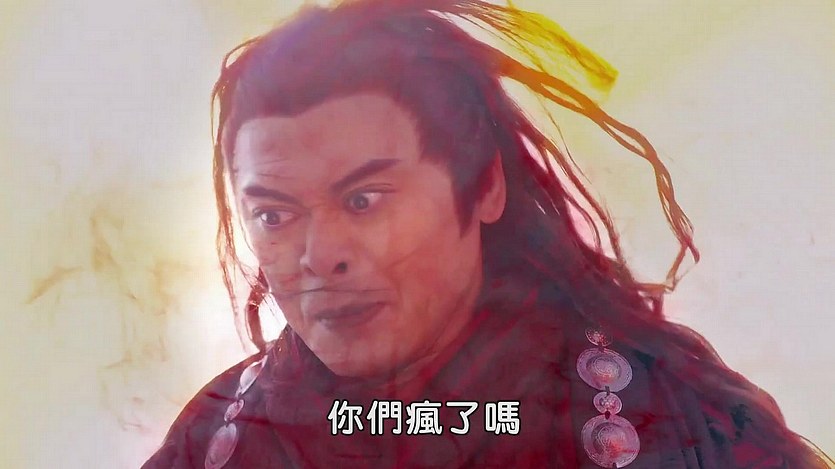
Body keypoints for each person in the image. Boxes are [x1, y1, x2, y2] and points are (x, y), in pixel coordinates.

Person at [142, 0, 833, 467]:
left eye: (363, 200)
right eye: (273, 215)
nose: (320, 257)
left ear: (483, 186)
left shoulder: (676, 422)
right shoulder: (215, 442)